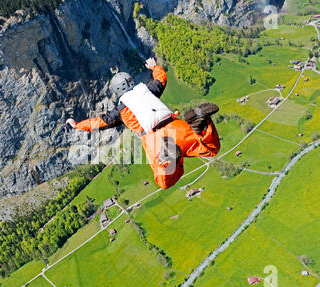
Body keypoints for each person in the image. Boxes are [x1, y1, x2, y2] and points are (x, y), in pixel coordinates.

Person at [66, 57, 220, 189]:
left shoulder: (120, 110)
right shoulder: (147, 90)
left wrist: (77, 125)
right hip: (177, 126)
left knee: (164, 181)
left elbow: (99, 122)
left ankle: (168, 159)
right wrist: (154, 66)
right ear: (131, 82)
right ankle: (201, 124)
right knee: (210, 149)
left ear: (116, 91)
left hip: (156, 139)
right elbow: (161, 79)